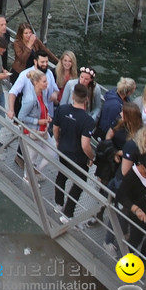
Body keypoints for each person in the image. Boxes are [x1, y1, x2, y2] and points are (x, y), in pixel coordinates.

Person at [53, 83, 96, 221]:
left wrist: (58, 141)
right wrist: (92, 157)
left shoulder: (62, 109)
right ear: (86, 100)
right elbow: (85, 145)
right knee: (79, 183)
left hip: (63, 150)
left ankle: (58, 204)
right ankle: (68, 213)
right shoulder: (87, 120)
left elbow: (55, 128)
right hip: (78, 156)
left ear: (72, 97)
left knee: (61, 176)